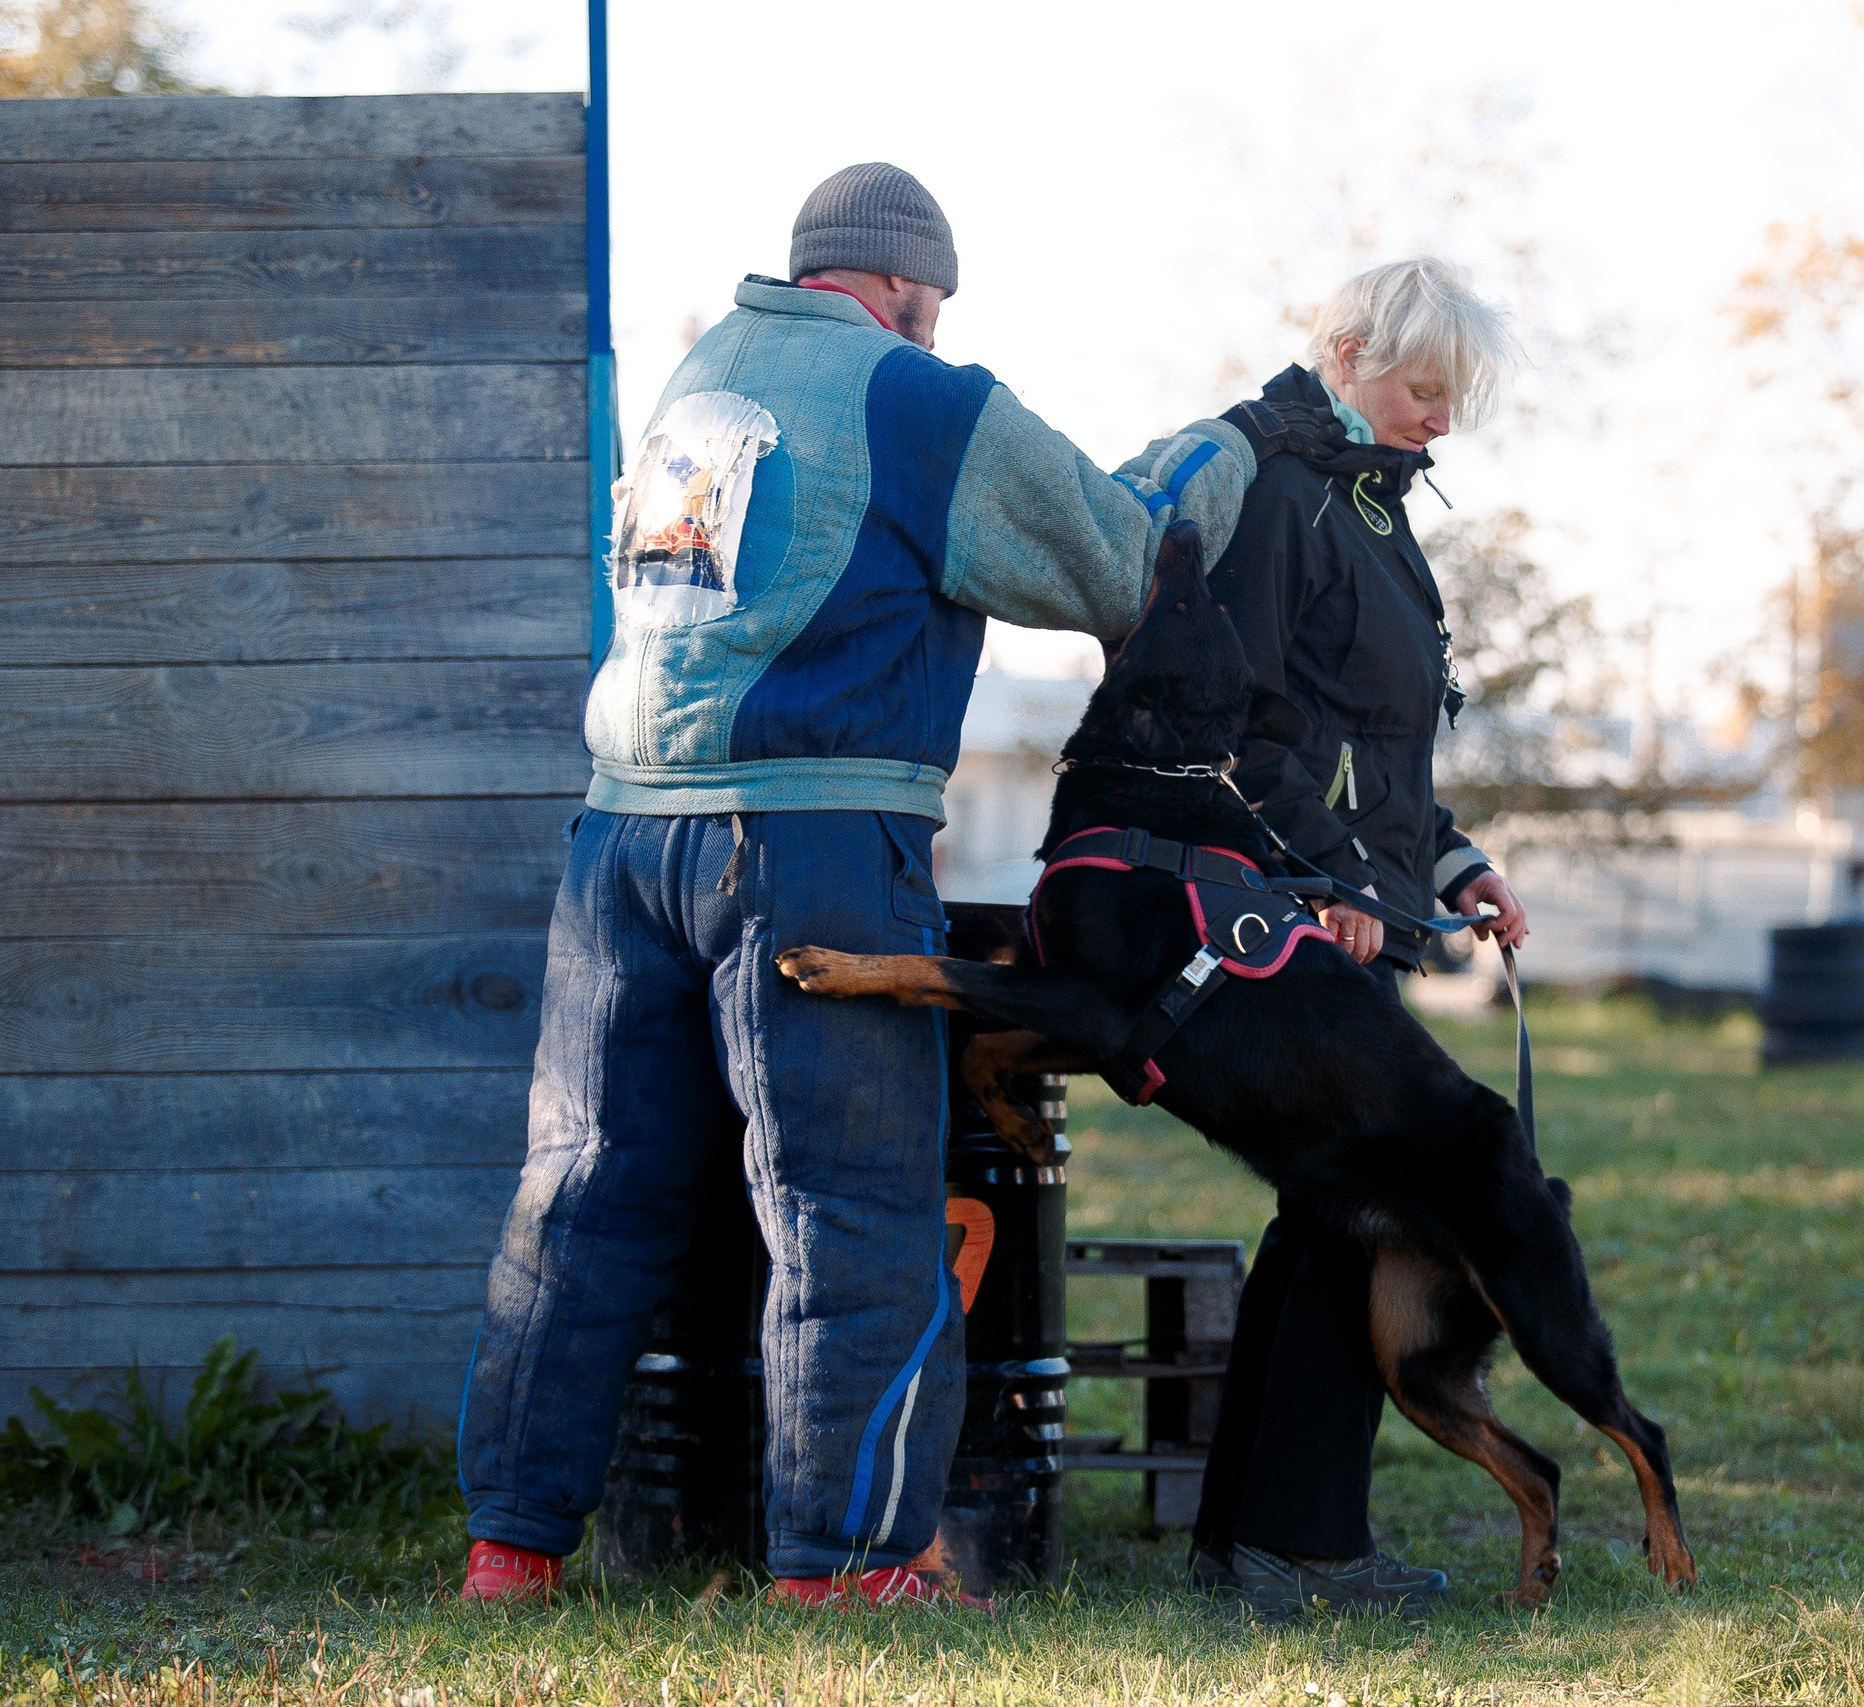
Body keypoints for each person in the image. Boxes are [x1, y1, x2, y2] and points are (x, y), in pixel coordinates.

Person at [454, 163, 1341, 1609]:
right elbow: (1125, 559)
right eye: (934, 304)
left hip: (618, 845)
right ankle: (850, 1565)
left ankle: (511, 1547)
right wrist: (1231, 440)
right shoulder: (915, 397)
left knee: (584, 1193)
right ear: (910, 289)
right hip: (807, 847)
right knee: (849, 1205)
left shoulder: (702, 386)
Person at [1190, 256, 1529, 1618]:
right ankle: (1306, 1551)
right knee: (1360, 1213)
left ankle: (1246, 1542)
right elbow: (1234, 725)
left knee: (1324, 1217)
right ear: (1346, 353)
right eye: (1423, 389)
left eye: (1455, 399)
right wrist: (1322, 877)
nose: (1441, 419)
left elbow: (1375, 753)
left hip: (1365, 912)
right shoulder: (1286, 496)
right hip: (1300, 926)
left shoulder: (1372, 507)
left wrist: (1454, 861)